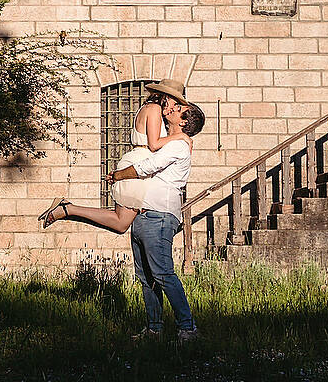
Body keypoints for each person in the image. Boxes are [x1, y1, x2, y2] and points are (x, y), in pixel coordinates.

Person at [39, 79, 205, 341]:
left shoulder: (178, 144)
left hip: (159, 214)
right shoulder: (166, 129)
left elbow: (147, 166)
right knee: (146, 276)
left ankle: (187, 327)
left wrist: (118, 175)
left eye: (178, 108)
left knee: (162, 273)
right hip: (145, 211)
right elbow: (150, 151)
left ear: (184, 123)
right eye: (174, 103)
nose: (173, 108)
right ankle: (154, 328)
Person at [37, 80, 190, 233]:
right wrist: (181, 136)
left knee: (121, 223)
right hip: (139, 162)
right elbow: (154, 144)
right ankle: (67, 209)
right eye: (175, 103)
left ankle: (68, 209)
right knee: (121, 222)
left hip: (139, 161)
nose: (173, 108)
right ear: (166, 97)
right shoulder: (154, 109)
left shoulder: (150, 108)